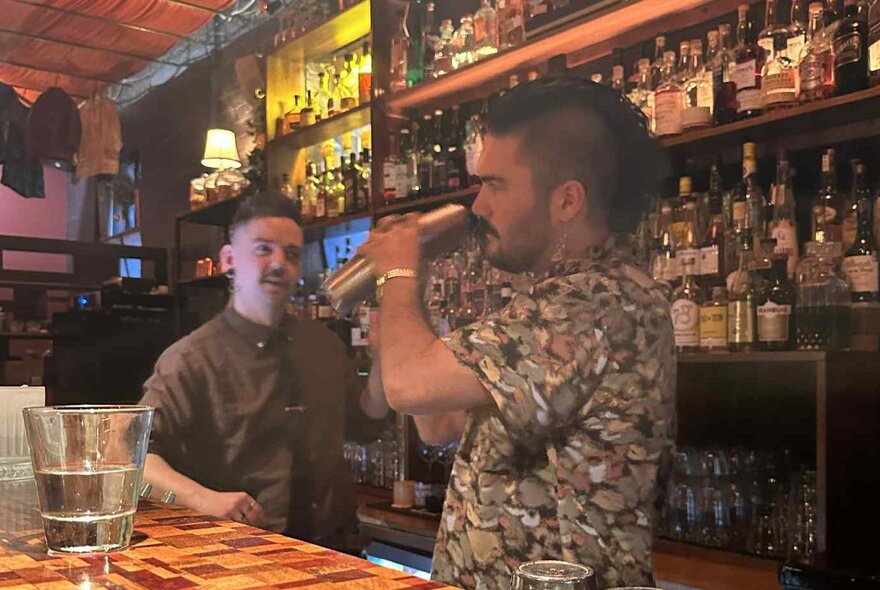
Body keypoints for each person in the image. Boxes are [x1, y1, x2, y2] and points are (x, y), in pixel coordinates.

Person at [358, 77, 675, 589]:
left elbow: (407, 386)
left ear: (567, 201)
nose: (479, 206)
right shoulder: (553, 303)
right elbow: (437, 423)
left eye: (497, 184)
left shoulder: (597, 304)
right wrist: (409, 306)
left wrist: (398, 272)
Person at [141, 190, 382, 551]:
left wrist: (384, 355)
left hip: (337, 554)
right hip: (243, 556)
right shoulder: (190, 360)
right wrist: (203, 499)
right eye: (263, 248)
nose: (278, 262)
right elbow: (137, 456)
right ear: (228, 260)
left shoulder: (323, 344)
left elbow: (366, 424)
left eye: (292, 253)